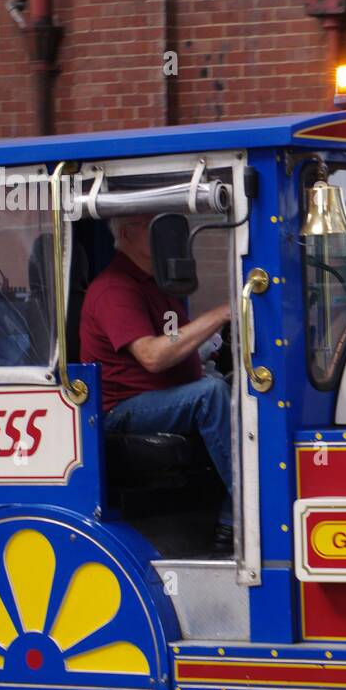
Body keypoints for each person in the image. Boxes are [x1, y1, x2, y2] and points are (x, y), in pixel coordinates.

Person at [79, 215, 234, 554]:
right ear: (125, 232)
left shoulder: (158, 285)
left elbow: (175, 337)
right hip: (122, 408)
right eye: (151, 224)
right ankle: (248, 508)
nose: (165, 233)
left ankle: (229, 515)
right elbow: (152, 355)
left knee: (234, 387)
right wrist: (221, 313)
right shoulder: (114, 288)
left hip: (160, 398)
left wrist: (214, 339)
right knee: (210, 395)